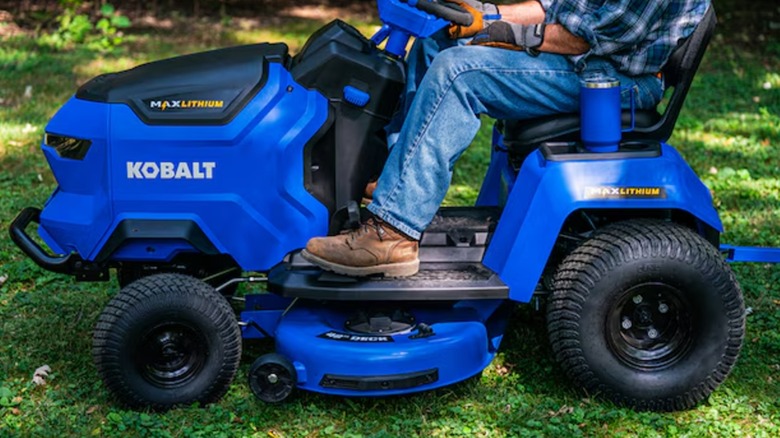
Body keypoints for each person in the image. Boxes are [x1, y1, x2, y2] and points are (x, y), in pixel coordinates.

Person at [301, 0, 711, 277]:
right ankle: (393, 181)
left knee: (458, 73)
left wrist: (507, 33)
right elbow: (556, 8)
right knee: (435, 42)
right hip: (586, 60)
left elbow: (588, 38)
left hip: (613, 79)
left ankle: (393, 234)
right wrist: (482, 15)